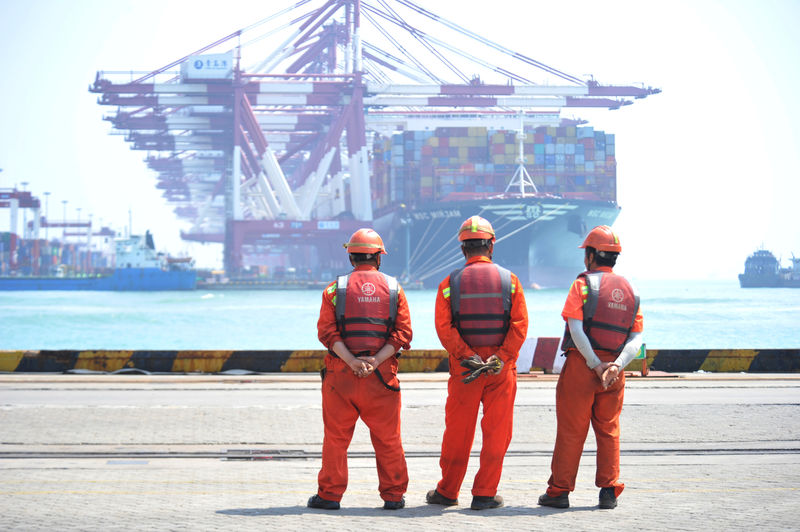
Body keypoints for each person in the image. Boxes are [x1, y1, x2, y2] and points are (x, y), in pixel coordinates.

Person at [426, 215, 528, 511]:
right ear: (491, 245)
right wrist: (502, 357)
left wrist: (467, 356)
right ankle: (484, 494)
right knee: (497, 432)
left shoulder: (449, 284)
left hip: (465, 370)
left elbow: (444, 328)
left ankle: (447, 492)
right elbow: (520, 325)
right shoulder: (511, 281)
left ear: (463, 249)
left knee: (458, 431)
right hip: (499, 369)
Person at [538, 225, 644, 510]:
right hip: (614, 372)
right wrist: (616, 366)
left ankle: (559, 492)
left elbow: (575, 328)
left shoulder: (582, 285)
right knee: (609, 430)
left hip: (582, 368)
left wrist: (595, 365)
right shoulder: (632, 290)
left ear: (590, 255)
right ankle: (609, 492)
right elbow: (636, 340)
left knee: (572, 431)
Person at [308, 228, 413, 511]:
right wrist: (374, 362)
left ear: (351, 256)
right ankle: (393, 496)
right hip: (381, 378)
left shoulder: (334, 289)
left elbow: (327, 333)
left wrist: (352, 362)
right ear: (379, 257)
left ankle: (329, 495)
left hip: (340, 377)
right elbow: (402, 334)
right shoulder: (394, 289)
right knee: (388, 438)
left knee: (336, 439)